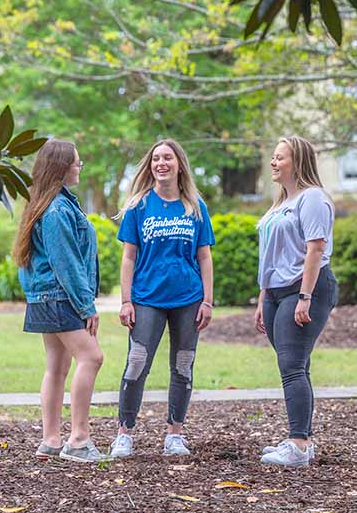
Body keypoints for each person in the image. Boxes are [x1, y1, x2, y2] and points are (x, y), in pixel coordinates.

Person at [109, 139, 215, 459]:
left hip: (188, 298)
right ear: (150, 165)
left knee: (183, 364)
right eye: (156, 158)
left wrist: (207, 300)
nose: (161, 163)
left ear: (179, 164)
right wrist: (126, 300)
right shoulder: (139, 206)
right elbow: (128, 257)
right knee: (136, 362)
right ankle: (124, 434)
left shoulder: (195, 206)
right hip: (146, 298)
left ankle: (174, 435)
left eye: (167, 157)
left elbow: (205, 257)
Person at [13, 138, 105, 463]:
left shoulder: (44, 204)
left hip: (45, 298)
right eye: (76, 162)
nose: (80, 167)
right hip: (59, 298)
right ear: (62, 167)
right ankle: (79, 439)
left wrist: (36, 297)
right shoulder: (57, 210)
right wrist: (86, 306)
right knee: (91, 357)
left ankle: (51, 441)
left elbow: (29, 265)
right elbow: (66, 263)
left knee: (57, 367)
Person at [254, 136, 338, 467]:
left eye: (280, 158)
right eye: (273, 158)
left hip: (305, 289)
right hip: (276, 292)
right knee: (296, 365)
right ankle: (302, 438)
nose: (273, 163)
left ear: (297, 161)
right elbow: (269, 256)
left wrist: (305, 296)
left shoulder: (313, 199)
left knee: (291, 366)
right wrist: (263, 297)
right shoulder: (280, 203)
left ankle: (299, 444)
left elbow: (315, 249)